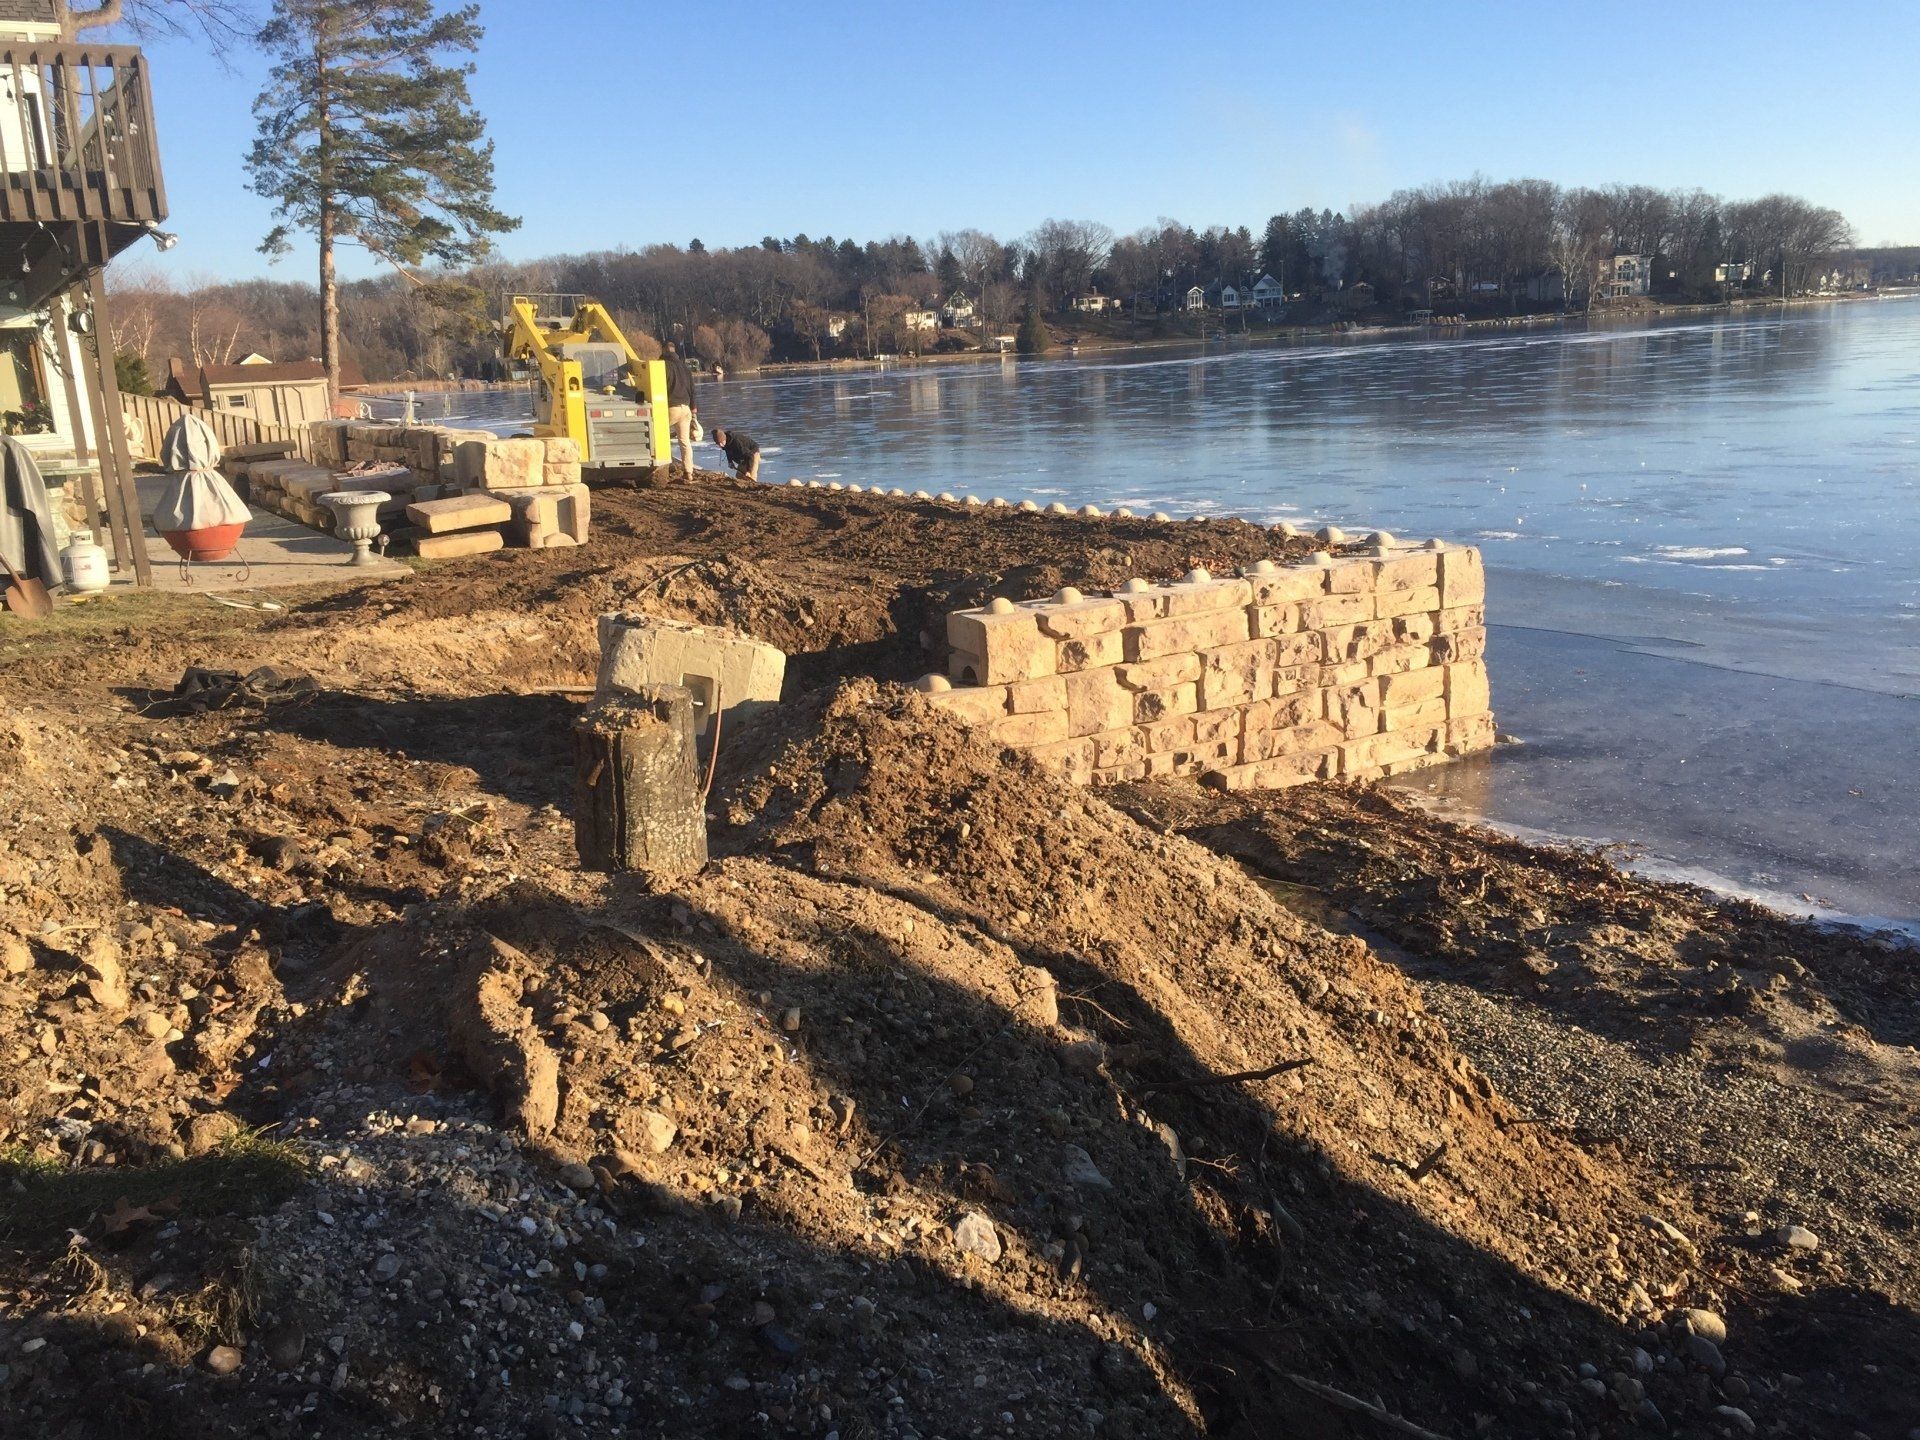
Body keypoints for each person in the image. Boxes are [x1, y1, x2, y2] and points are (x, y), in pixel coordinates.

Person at [661, 341, 696, 477]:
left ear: (664, 350)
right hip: (686, 409)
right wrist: (694, 411)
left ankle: (666, 466)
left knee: (660, 437)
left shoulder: (663, 366)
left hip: (671, 408)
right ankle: (689, 471)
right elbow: (693, 390)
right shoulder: (685, 368)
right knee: (684, 441)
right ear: (674, 350)